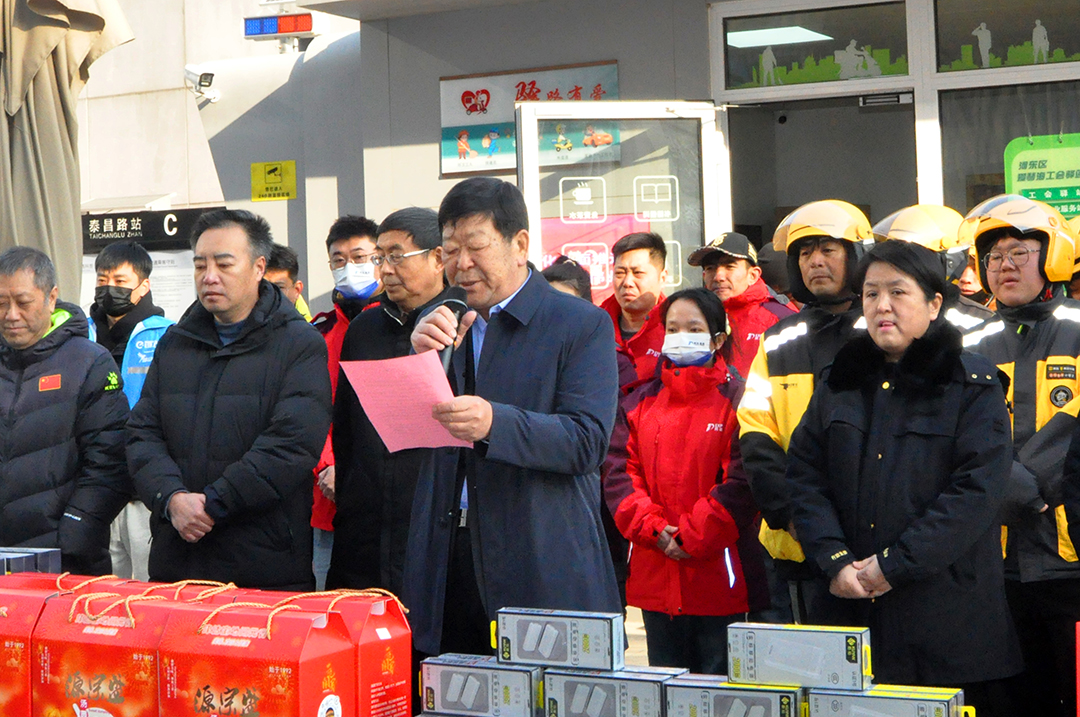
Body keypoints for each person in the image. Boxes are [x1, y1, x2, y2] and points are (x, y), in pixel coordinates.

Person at [788, 241, 1021, 715]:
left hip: (945, 621)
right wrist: (835, 559)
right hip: (850, 611)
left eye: (898, 292)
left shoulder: (972, 384)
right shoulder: (839, 380)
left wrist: (894, 565)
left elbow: (976, 492)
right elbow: (804, 476)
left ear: (934, 304)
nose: (882, 306)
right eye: (871, 294)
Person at [405, 177, 621, 656]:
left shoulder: (579, 323)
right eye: (451, 251)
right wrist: (417, 364)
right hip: (446, 559)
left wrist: (493, 424)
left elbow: (586, 441)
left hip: (539, 557)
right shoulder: (440, 321)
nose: (462, 264)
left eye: (476, 247)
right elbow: (408, 437)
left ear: (520, 244)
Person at [127, 209, 331, 590]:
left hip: (263, 570)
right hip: (177, 563)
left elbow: (291, 446)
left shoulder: (299, 344)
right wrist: (172, 498)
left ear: (258, 267)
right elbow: (142, 433)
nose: (209, 276)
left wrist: (212, 505)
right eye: (200, 265)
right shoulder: (175, 343)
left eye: (223, 264)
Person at [961, 195, 1080, 717]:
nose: (1004, 265)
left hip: (1069, 560)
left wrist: (1022, 483)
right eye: (993, 256)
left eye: (1018, 252)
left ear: (1052, 255)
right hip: (995, 565)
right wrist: (1000, 482)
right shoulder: (966, 342)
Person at [737, 200, 874, 623]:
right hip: (794, 546)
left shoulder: (883, 329)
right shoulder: (778, 340)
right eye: (804, 252)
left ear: (857, 256)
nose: (815, 261)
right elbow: (755, 433)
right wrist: (793, 516)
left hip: (873, 547)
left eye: (828, 249)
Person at [614, 288, 761, 674]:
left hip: (719, 577)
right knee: (664, 686)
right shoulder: (637, 402)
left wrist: (693, 536)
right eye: (673, 328)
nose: (681, 337)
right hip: (654, 573)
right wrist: (654, 528)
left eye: (694, 329)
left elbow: (742, 481)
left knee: (718, 687)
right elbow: (620, 476)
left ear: (718, 339)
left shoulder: (739, 400)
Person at [326, 207, 452, 595]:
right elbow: (346, 426)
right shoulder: (364, 329)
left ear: (438, 258)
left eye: (397, 256)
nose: (385, 270)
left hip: (433, 521)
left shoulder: (461, 323)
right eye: (380, 258)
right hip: (365, 522)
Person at [0, 247, 129, 574]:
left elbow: (110, 460)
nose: (11, 315)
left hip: (63, 558)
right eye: (1, 303)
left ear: (51, 297)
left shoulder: (89, 362)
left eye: (23, 302)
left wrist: (76, 530)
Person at [88, 240, 174, 581]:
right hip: (92, 489)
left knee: (145, 586)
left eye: (120, 281)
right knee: (96, 589)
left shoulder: (168, 335)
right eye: (102, 280)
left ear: (143, 286)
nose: (109, 289)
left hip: (143, 493)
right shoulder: (82, 334)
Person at [309, 215, 381, 591]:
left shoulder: (401, 327)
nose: (349, 267)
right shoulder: (318, 335)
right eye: (339, 260)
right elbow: (310, 409)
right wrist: (329, 466)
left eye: (359, 257)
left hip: (384, 498)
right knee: (329, 602)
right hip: (327, 494)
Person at [688, 232, 795, 376]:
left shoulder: (781, 319)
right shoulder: (693, 317)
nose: (718, 277)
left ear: (753, 275)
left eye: (729, 266)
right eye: (710, 268)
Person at [871, 204, 993, 330]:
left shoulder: (981, 323)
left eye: (915, 260)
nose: (903, 268)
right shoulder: (871, 316)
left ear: (950, 262)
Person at [601, 232, 668, 386]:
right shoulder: (595, 326)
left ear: (662, 278)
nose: (627, 282)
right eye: (620, 273)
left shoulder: (677, 329)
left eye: (638, 273)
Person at [265, 243, 312, 321]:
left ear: (297, 290)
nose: (270, 294)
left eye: (279, 287)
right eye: (264, 286)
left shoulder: (305, 327)